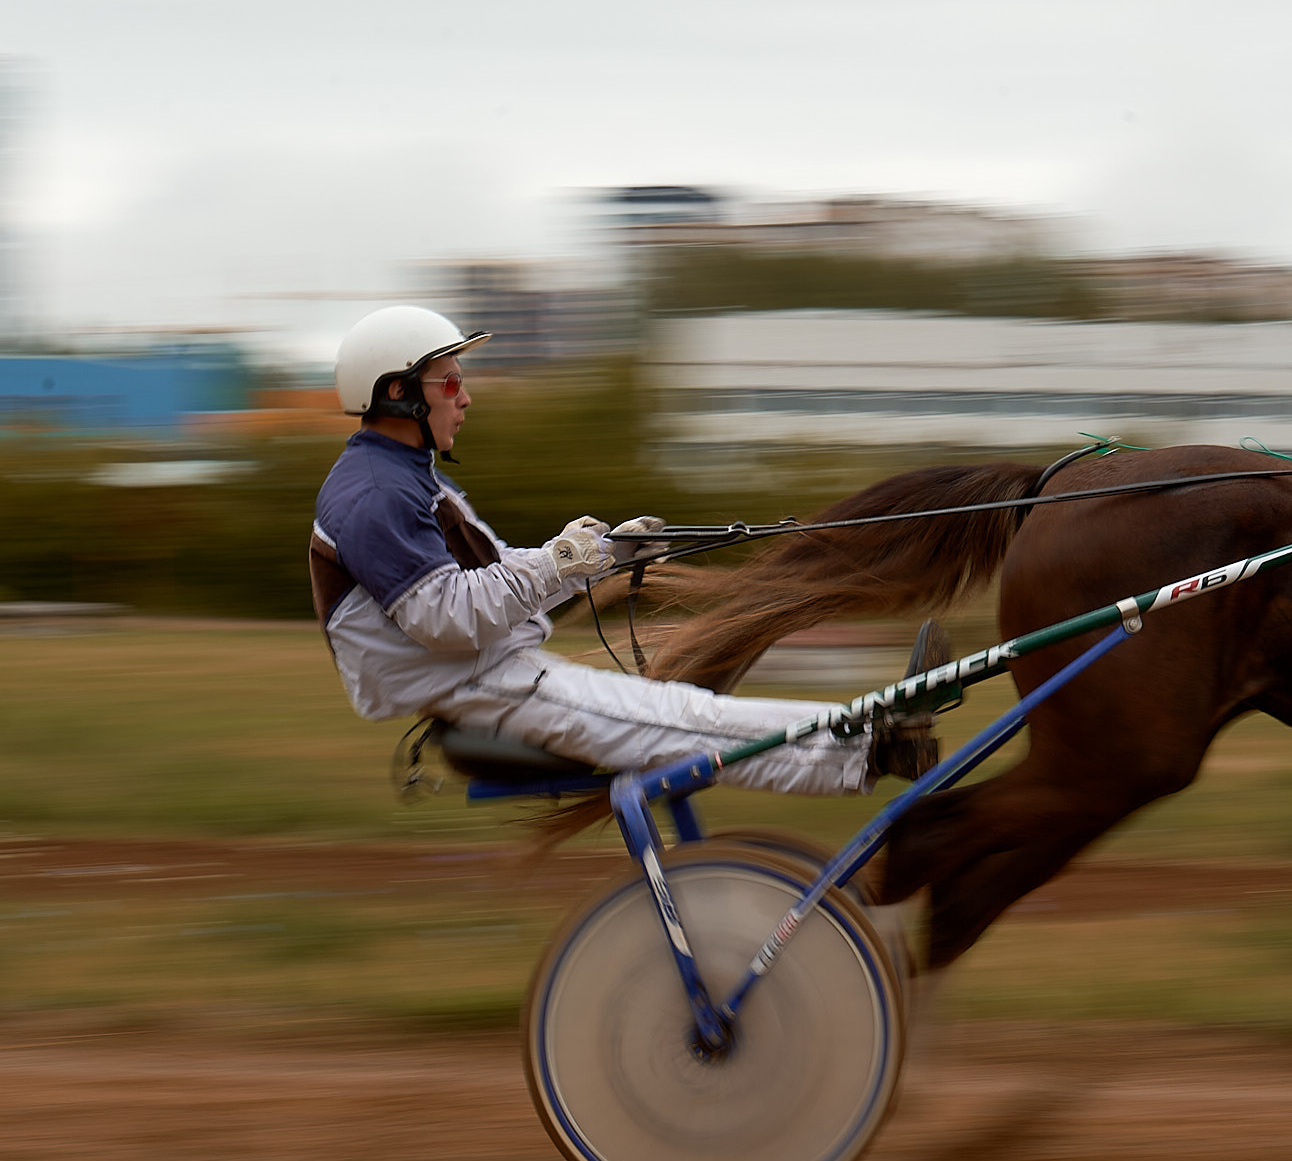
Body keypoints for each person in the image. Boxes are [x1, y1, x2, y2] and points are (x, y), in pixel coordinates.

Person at [308, 305, 873, 795]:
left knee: (684, 712)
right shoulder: (377, 494)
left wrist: (605, 555)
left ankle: (866, 735)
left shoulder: (407, 475)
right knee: (684, 720)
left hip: (483, 670)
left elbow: (498, 574)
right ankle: (869, 745)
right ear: (399, 392)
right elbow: (448, 616)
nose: (466, 398)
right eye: (451, 383)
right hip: (472, 682)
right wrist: (559, 560)